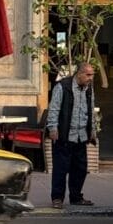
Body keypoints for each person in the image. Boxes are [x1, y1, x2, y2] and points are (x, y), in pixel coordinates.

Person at [45, 62, 97, 208]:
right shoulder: (62, 86)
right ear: (79, 74)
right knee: (60, 169)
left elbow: (91, 110)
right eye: (88, 75)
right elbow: (54, 109)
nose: (91, 78)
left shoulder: (89, 89)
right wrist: (53, 128)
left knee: (80, 169)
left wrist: (92, 130)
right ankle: (57, 198)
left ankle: (76, 197)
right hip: (64, 134)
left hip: (81, 135)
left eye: (92, 75)